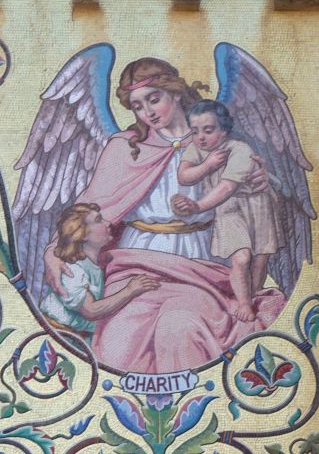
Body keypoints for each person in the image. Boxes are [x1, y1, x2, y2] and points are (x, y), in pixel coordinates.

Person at [40, 58, 283, 373]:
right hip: (135, 260)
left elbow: (257, 203)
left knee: (181, 327)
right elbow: (89, 205)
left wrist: (260, 183)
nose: (148, 112)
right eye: (138, 107)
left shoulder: (218, 141)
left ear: (175, 93)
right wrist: (53, 250)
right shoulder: (125, 148)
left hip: (203, 259)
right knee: (119, 340)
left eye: (154, 99)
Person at [172, 100, 282, 322]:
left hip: (257, 206)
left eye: (208, 130)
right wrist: (207, 166)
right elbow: (183, 175)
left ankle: (253, 297)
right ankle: (243, 303)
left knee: (260, 259)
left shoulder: (240, 149)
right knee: (241, 258)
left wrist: (198, 206)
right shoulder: (197, 150)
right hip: (228, 210)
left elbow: (227, 187)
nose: (200, 137)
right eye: (194, 131)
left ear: (223, 131)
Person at [40, 203, 160, 343]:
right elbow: (90, 310)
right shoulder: (72, 269)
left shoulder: (96, 265)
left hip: (80, 338)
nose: (108, 223)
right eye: (98, 220)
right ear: (82, 234)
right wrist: (130, 290)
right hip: (58, 336)